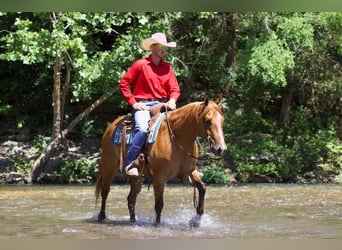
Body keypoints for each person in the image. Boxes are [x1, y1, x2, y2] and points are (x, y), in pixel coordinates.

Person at [119, 32, 181, 176]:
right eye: (161, 47)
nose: (164, 50)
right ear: (153, 47)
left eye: (165, 47)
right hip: (143, 105)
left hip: (161, 104)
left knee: (179, 126)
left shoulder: (168, 68)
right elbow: (124, 83)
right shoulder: (140, 65)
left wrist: (172, 100)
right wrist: (133, 103)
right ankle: (130, 162)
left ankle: (184, 165)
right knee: (142, 129)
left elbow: (174, 89)